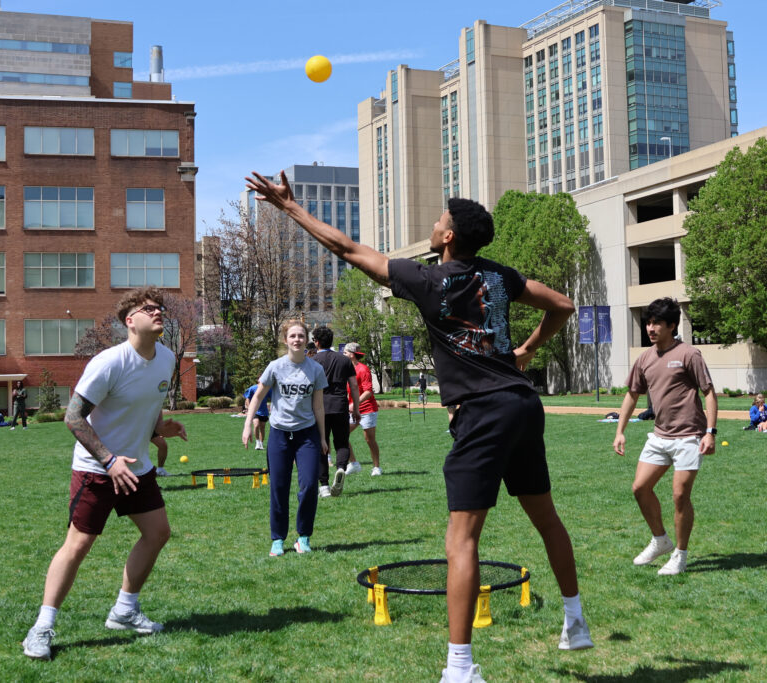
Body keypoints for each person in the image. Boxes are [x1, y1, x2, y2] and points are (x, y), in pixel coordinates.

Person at [246, 171, 592, 682]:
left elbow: (346, 247)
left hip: (482, 411)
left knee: (462, 541)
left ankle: (460, 668)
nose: (434, 224)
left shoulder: (429, 281)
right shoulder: (499, 277)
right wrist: (525, 351)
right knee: (546, 519)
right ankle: (576, 621)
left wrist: (290, 209)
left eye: (439, 220)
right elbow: (562, 305)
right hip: (523, 405)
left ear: (448, 237)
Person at [22, 287, 187, 661]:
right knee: (78, 545)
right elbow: (73, 416)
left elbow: (147, 408)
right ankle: (42, 627)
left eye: (160, 307)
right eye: (149, 308)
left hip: (136, 468)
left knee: (158, 532)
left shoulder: (166, 359)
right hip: (97, 469)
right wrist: (109, 460)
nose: (158, 311)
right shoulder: (109, 362)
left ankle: (125, 611)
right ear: (130, 321)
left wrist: (163, 427)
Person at [613, 297, 717, 577]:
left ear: (672, 325)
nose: (651, 327)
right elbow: (632, 395)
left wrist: (710, 432)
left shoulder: (689, 354)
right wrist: (620, 430)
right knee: (640, 488)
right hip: (659, 436)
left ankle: (680, 555)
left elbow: (708, 392)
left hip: (689, 436)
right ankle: (660, 540)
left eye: (657, 322)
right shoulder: (644, 358)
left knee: (680, 495)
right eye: (648, 322)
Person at [243, 319, 327, 556]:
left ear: (306, 339)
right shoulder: (275, 367)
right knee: (279, 487)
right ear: (285, 340)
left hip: (307, 434)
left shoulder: (315, 369)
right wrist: (247, 425)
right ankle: (278, 539)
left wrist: (322, 438)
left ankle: (303, 537)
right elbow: (258, 397)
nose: (297, 340)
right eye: (292, 336)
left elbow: (319, 406)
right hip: (280, 434)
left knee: (310, 485)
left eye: (301, 336)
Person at [311, 327, 359, 497]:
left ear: (316, 341)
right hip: (340, 406)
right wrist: (357, 409)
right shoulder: (344, 360)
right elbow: (354, 385)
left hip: (319, 408)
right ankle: (340, 468)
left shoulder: (313, 360)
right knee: (342, 442)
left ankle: (323, 486)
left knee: (320, 445)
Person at [344, 343, 382, 476]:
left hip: (367, 409)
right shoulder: (345, 370)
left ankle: (376, 467)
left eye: (345, 353)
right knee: (342, 435)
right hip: (352, 410)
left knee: (369, 439)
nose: (343, 355)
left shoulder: (363, 369)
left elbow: (368, 392)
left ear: (352, 355)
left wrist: (354, 404)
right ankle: (353, 464)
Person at [243, 383, 272, 450]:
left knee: (262, 427)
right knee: (256, 425)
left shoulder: (267, 388)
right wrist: (250, 408)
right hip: (255, 411)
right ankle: (257, 442)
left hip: (264, 411)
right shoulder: (252, 388)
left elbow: (273, 397)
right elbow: (247, 399)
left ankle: (261, 444)